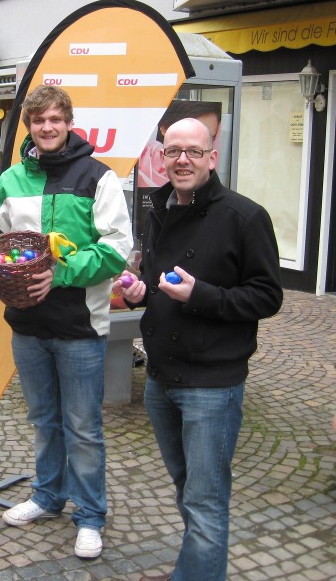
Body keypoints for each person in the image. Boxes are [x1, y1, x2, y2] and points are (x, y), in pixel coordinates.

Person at [114, 118, 283, 581]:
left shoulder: (245, 217)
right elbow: (160, 283)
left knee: (205, 501)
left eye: (192, 151)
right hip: (160, 378)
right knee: (188, 489)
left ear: (212, 158)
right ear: (161, 157)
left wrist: (201, 295)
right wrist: (140, 290)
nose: (182, 160)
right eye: (173, 151)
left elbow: (268, 297)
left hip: (212, 385)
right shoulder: (160, 209)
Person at [0, 85, 133, 559]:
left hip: (79, 328)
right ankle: (48, 496)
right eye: (38, 120)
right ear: (28, 125)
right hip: (27, 325)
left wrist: (61, 272)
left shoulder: (98, 177)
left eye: (55, 118)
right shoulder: (11, 179)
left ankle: (90, 515)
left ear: (69, 121)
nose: (46, 127)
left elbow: (116, 248)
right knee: (44, 420)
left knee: (83, 425)